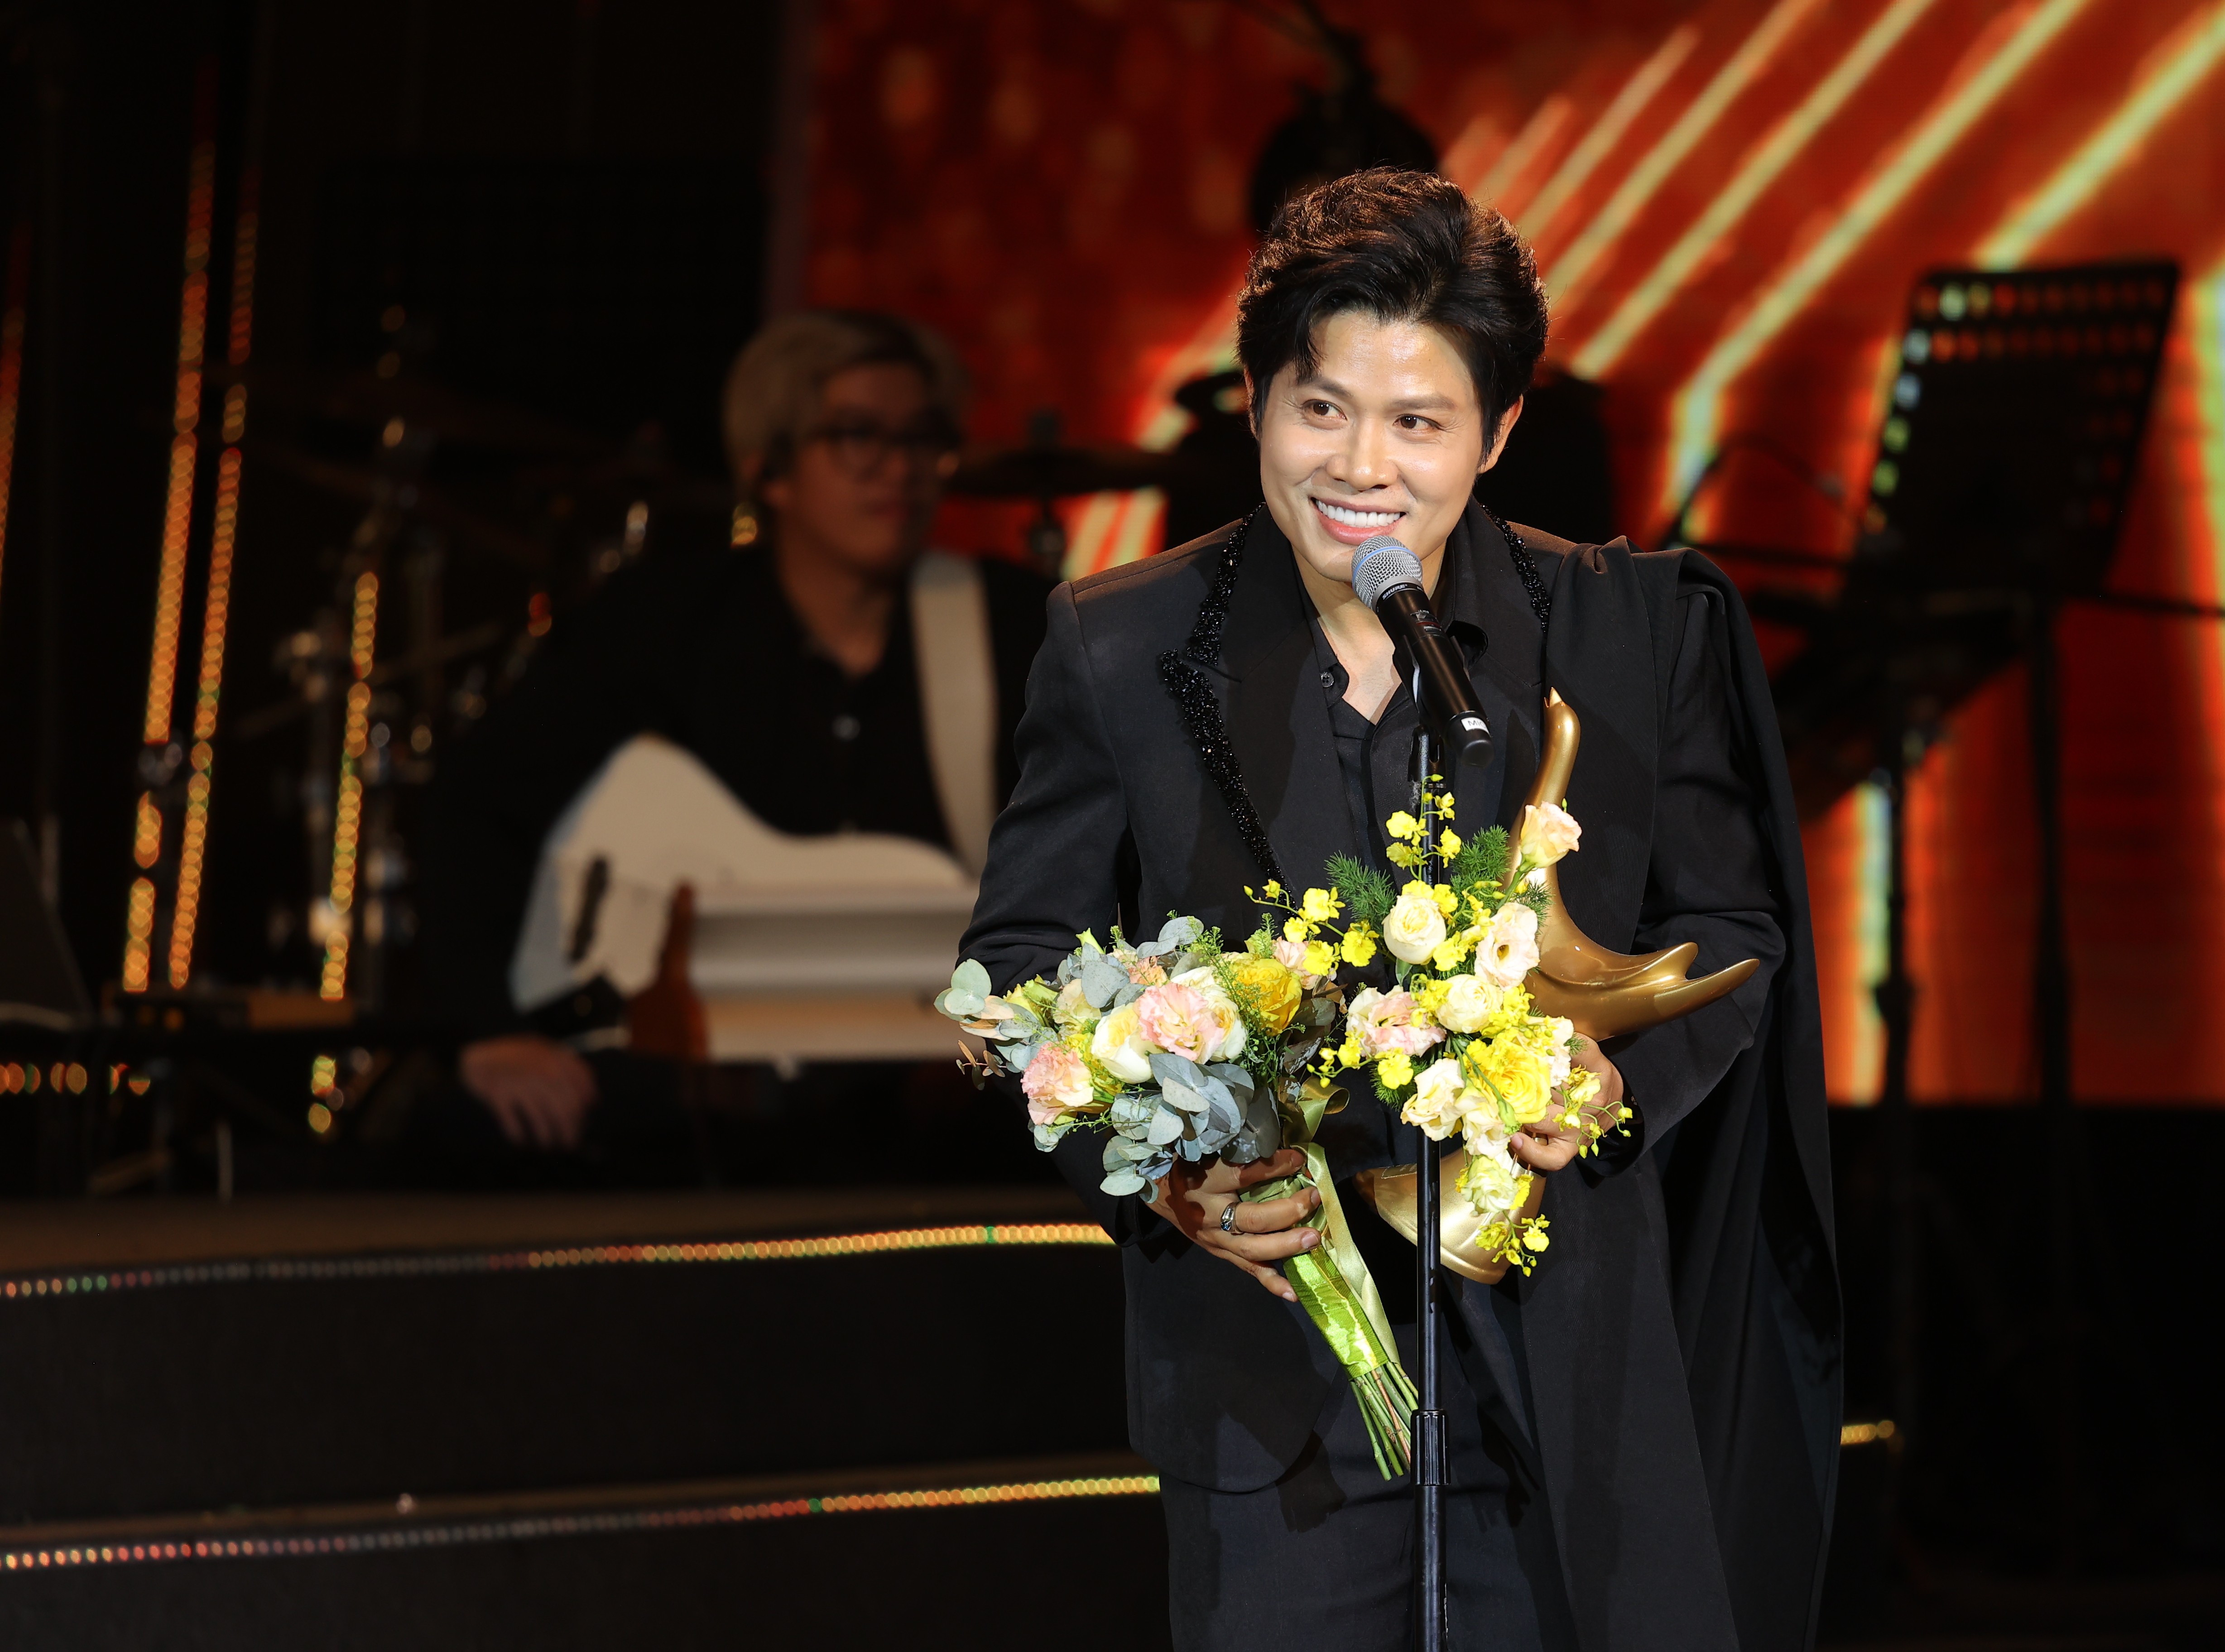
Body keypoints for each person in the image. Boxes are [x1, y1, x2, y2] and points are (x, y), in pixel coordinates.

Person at [960, 172, 1840, 1650]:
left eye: (1419, 423)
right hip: (1275, 1397)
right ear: (1255, 403)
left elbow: (1735, 929)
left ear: (1495, 435)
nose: (1362, 466)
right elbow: (1014, 967)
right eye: (1322, 408)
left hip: (1570, 1367)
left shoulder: (1621, 636)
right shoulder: (1120, 646)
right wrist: (1166, 1171)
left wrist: (1609, 1081)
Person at [418, 310, 1054, 1178]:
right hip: (686, 1089)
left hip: (928, 1097)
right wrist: (493, 1033)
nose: (900, 468)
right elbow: (475, 807)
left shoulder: (1016, 626)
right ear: (768, 469)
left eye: (922, 438)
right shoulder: (663, 623)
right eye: (858, 436)